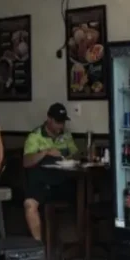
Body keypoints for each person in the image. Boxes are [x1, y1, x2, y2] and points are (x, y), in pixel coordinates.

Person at [23, 103, 78, 241]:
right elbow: (26, 162)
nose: (61, 126)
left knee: (84, 198)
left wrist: (68, 157)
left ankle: (76, 243)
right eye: (58, 122)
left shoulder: (66, 135)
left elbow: (76, 154)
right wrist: (45, 152)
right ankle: (39, 246)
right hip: (42, 181)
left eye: (63, 122)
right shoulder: (35, 136)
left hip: (63, 181)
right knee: (30, 205)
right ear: (49, 119)